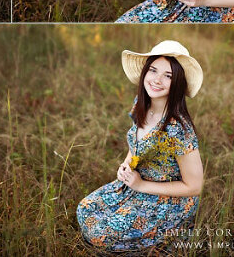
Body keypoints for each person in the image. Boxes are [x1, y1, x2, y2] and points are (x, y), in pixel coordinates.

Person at [77, 40, 204, 252]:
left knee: (101, 234)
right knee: (85, 209)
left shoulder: (178, 129)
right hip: (138, 182)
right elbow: (135, 145)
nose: (157, 80)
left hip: (167, 199)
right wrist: (127, 165)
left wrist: (141, 186)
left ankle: (171, 234)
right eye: (153, 70)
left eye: (168, 75)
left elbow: (195, 186)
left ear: (178, 83)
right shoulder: (141, 104)